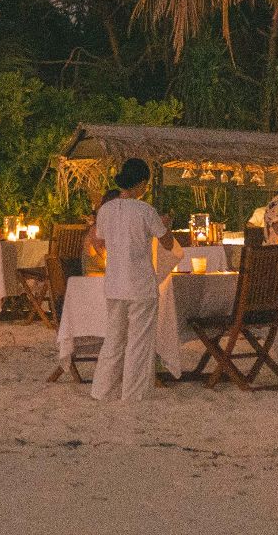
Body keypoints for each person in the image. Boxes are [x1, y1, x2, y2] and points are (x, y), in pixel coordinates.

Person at [86, 158, 168, 402]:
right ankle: (134, 393)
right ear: (141, 183)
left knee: (113, 339)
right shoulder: (146, 211)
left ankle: (102, 390)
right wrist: (166, 225)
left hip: (115, 283)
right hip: (140, 283)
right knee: (139, 342)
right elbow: (167, 242)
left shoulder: (105, 210)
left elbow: (101, 239)